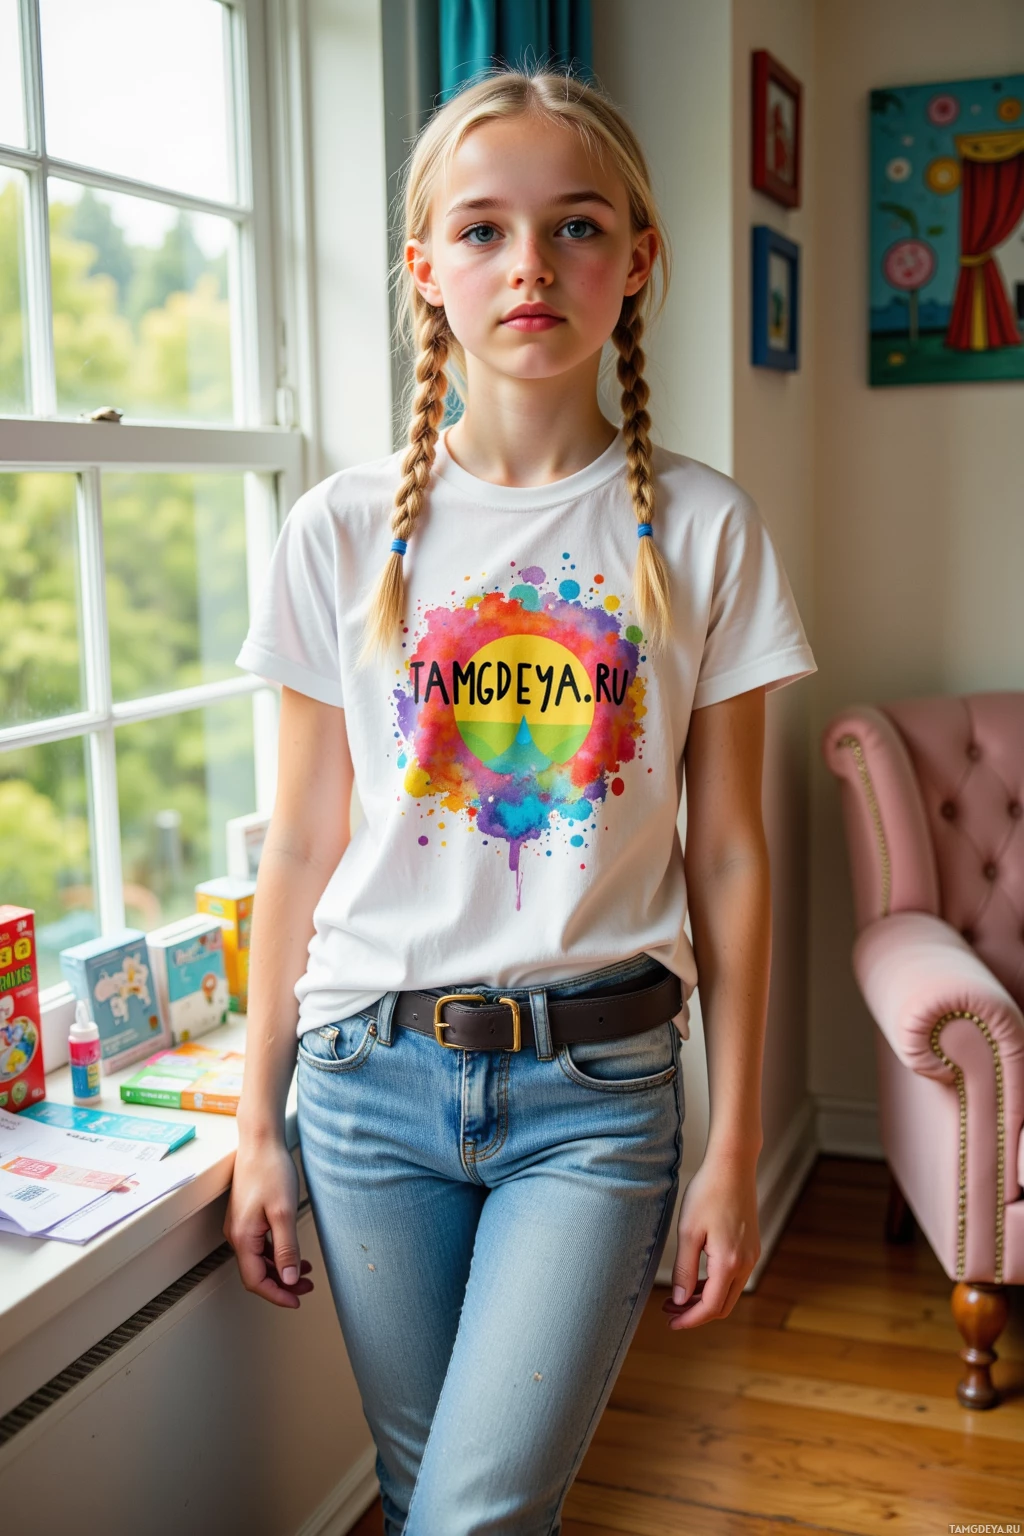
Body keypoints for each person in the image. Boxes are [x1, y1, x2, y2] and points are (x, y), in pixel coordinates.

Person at [225, 68, 816, 1536]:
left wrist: (732, 1152)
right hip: (363, 1084)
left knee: (472, 1515)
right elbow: (302, 841)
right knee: (450, 1501)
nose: (530, 267)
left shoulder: (704, 526)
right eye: (482, 231)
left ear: (637, 262)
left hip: (598, 1095)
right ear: (424, 267)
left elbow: (731, 858)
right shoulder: (342, 531)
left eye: (575, 226)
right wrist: (257, 1124)